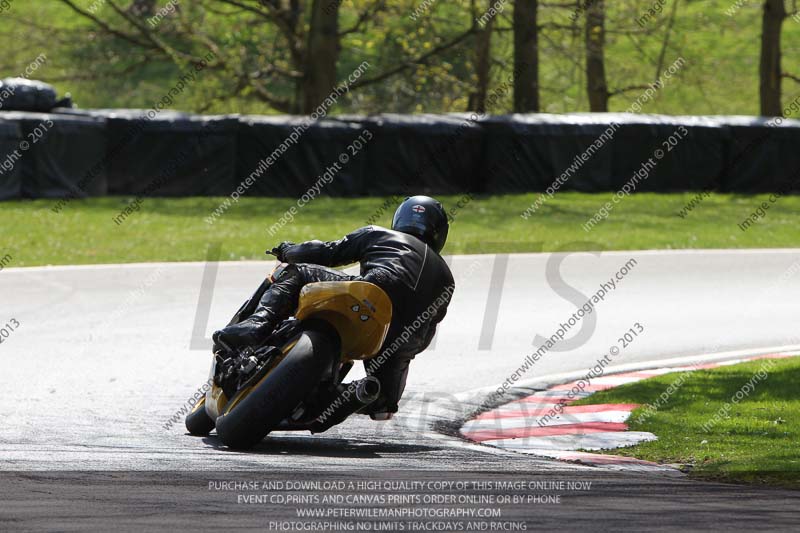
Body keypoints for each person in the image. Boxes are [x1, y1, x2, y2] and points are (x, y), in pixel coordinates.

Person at [213, 195, 455, 420]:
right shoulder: (447, 278)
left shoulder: (380, 234)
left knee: (296, 271)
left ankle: (257, 325)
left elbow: (328, 252)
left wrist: (288, 251)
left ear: (399, 219)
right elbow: (426, 333)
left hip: (370, 292)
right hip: (400, 336)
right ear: (440, 232)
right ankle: (347, 394)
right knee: (383, 404)